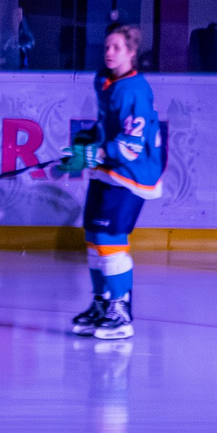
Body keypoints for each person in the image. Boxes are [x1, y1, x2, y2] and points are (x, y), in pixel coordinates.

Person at [66, 23, 162, 341]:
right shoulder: (104, 80)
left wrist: (97, 153)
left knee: (110, 237)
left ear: (132, 53)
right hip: (109, 170)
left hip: (132, 174)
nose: (109, 52)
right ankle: (102, 302)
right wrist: (85, 142)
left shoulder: (134, 90)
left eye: (117, 47)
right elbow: (107, 126)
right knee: (93, 236)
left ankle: (121, 311)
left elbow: (132, 146)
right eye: (107, 46)